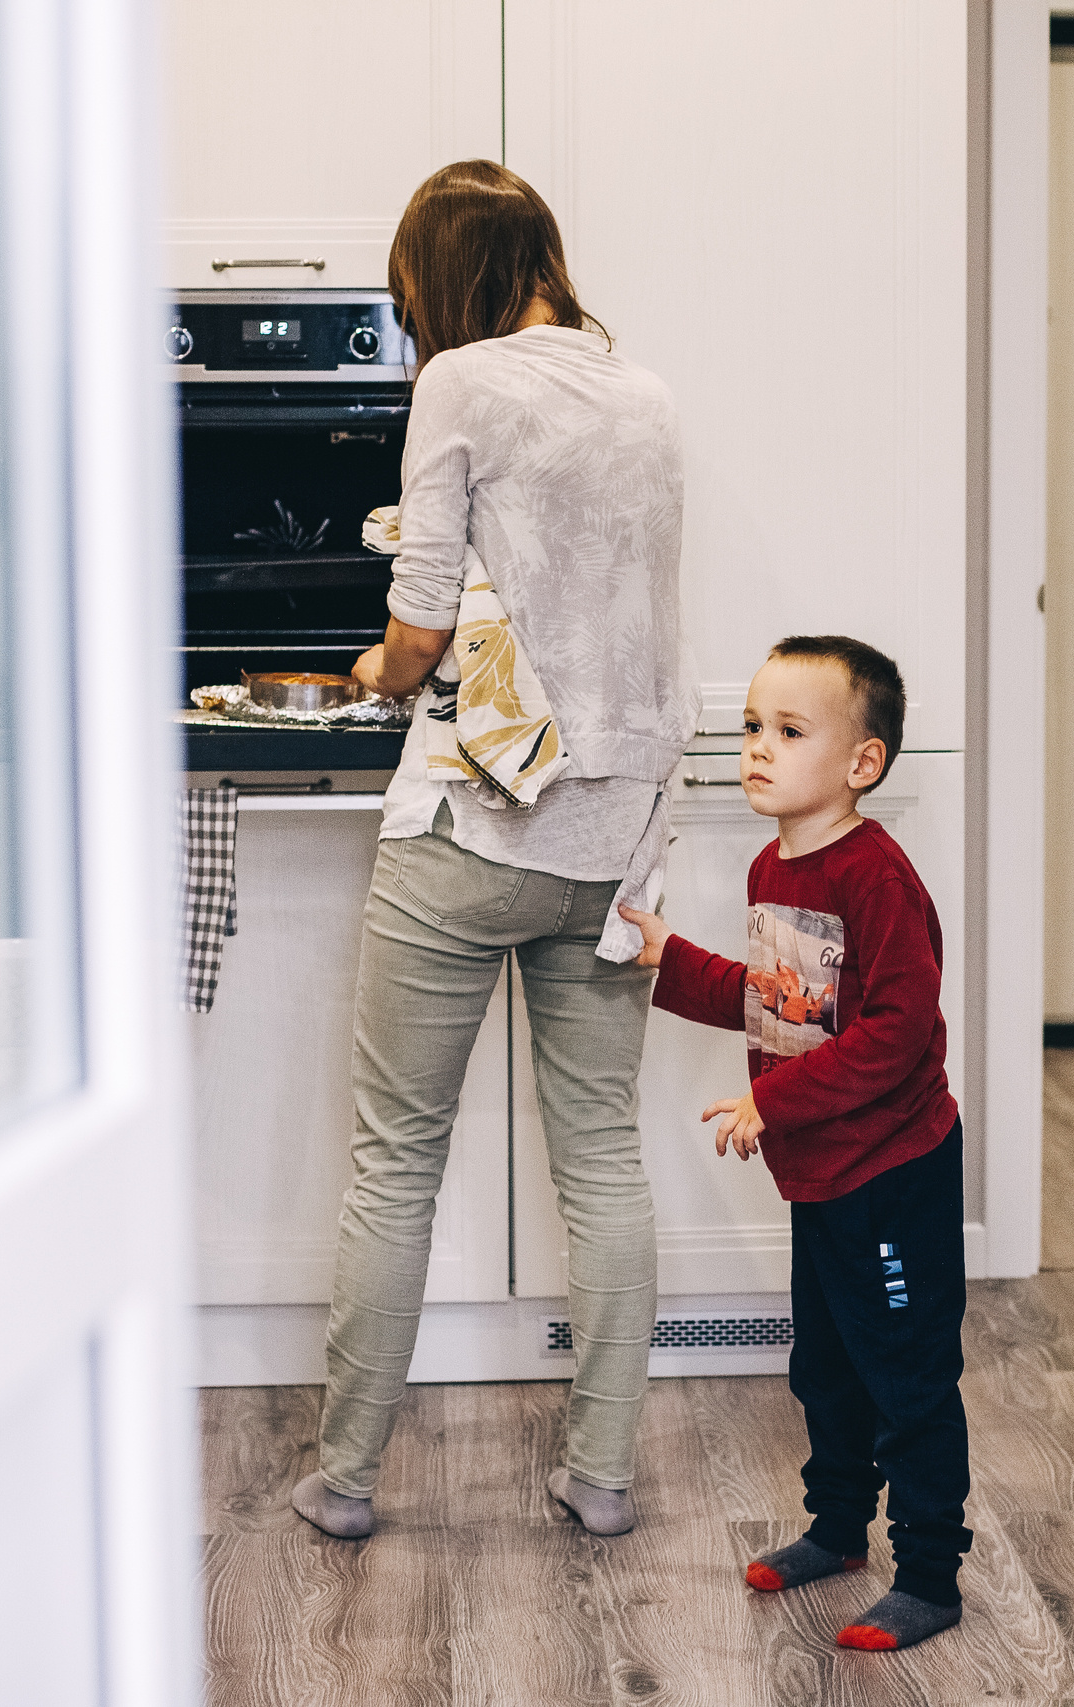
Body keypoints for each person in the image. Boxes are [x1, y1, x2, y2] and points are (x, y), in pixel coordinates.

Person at [291, 160, 697, 1543]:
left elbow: (419, 622)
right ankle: (600, 1471)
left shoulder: (460, 382)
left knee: (395, 1154)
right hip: (609, 832)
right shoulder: (641, 392)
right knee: (604, 1156)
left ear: (443, 278)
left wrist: (373, 667)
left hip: (471, 823)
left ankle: (343, 1478)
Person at [617, 635, 971, 1652]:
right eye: (751, 728)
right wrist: (670, 959)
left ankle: (933, 1573)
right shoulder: (775, 862)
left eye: (787, 730)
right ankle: (837, 1529)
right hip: (821, 1174)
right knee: (827, 1363)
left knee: (906, 1373)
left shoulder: (876, 878)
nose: (758, 748)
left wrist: (774, 1105)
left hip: (891, 1172)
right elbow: (788, 1002)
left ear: (862, 764)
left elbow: (895, 1032)